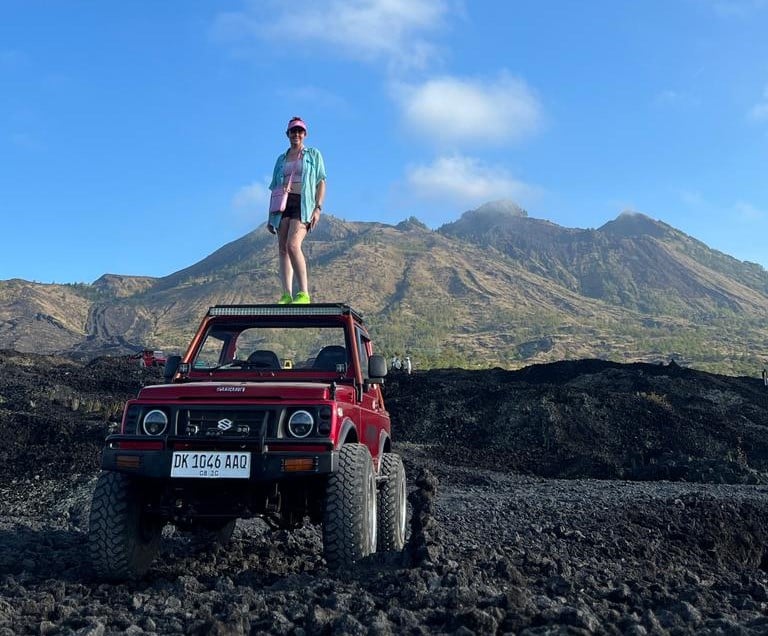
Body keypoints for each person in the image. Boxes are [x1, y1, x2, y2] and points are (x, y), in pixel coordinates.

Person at [268, 116, 326, 304]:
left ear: (305, 134)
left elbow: (321, 182)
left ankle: (304, 293)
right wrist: (271, 216)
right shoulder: (281, 159)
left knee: (293, 245)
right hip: (283, 204)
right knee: (282, 248)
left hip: (304, 203)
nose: (296, 134)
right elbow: (275, 186)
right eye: (293, 131)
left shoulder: (313, 155)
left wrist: (317, 208)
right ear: (288, 134)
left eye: (300, 131)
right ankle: (286, 294)